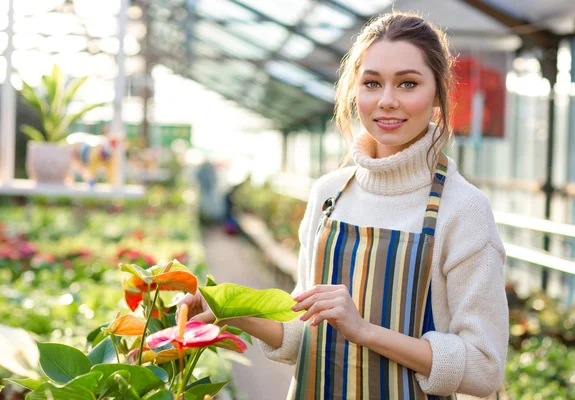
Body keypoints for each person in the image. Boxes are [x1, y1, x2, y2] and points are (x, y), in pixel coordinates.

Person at [179, 11, 509, 399]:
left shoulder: (462, 209)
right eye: (372, 83)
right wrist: (228, 312)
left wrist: (364, 331)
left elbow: (485, 367)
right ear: (355, 91)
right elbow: (306, 331)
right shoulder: (329, 194)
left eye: (407, 83)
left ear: (438, 92)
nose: (387, 101)